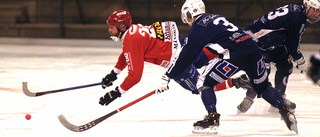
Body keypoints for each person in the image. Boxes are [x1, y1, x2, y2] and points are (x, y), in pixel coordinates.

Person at [166, 0, 298, 134]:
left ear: (192, 12)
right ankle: (284, 109)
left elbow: (186, 55)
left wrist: (168, 75)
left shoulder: (198, 26)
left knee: (204, 82)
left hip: (235, 54)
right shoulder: (218, 17)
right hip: (253, 49)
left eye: (187, 17)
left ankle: (212, 118)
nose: (188, 21)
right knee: (263, 87)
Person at [98, 10, 250, 108]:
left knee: (199, 88)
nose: (109, 30)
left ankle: (237, 81)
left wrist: (117, 92)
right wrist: (114, 73)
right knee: (202, 58)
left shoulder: (131, 40)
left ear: (123, 26)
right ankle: (236, 53)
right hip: (181, 44)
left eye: (112, 27)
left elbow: (135, 76)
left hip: (177, 61)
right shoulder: (133, 31)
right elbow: (127, 54)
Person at [237, 0, 320, 114]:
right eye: (314, 9)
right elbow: (292, 44)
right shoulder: (298, 18)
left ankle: (278, 98)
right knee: (262, 73)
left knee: (285, 65)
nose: (316, 13)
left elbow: (285, 36)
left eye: (318, 11)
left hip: (269, 43)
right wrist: (300, 60)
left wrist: (296, 57)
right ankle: (248, 98)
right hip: (257, 42)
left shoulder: (296, 12)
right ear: (306, 6)